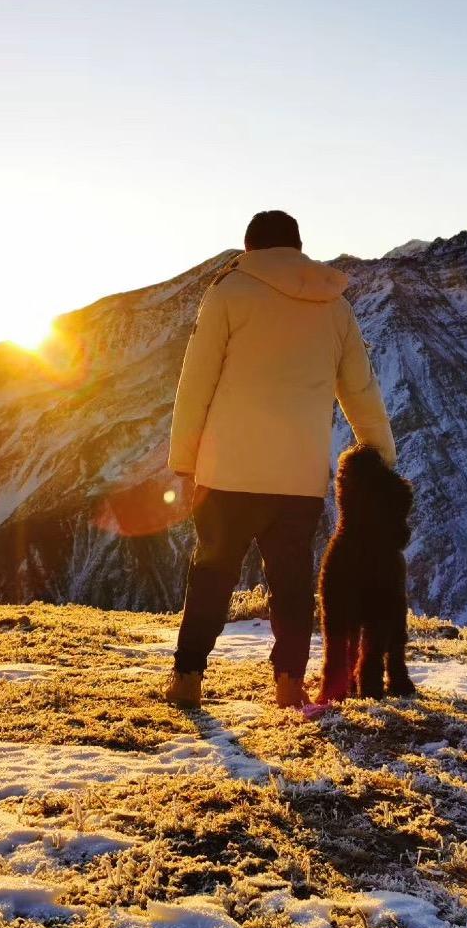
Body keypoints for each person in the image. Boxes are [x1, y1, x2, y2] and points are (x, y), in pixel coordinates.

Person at [166, 210, 396, 709]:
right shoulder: (334, 306)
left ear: (250, 249)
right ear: (297, 249)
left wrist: (184, 459)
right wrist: (381, 453)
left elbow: (196, 382)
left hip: (227, 472)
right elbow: (360, 389)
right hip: (299, 477)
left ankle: (187, 677)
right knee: (291, 579)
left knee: (212, 573)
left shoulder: (229, 293)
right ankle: (290, 682)